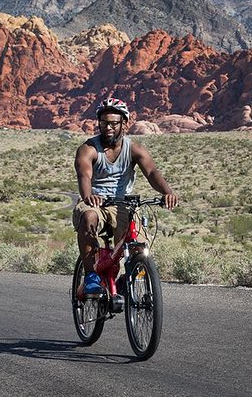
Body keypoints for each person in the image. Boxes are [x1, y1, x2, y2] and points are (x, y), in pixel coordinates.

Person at [73, 97, 178, 295]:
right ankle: (91, 277)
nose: (108, 127)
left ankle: (124, 281)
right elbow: (84, 175)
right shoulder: (88, 149)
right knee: (88, 218)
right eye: (104, 123)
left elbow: (152, 172)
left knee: (139, 248)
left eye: (114, 123)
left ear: (124, 124)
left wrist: (167, 192)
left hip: (122, 204)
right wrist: (88, 196)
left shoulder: (134, 149)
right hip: (94, 202)